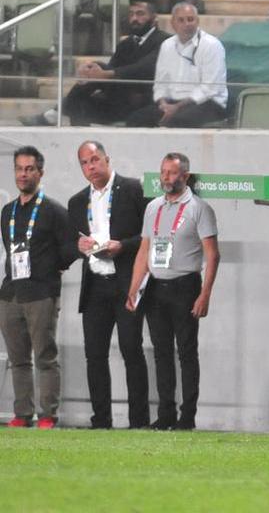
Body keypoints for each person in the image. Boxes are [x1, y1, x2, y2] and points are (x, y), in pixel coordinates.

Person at [126, 152, 221, 430]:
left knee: (187, 352)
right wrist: (134, 288)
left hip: (185, 286)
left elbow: (213, 255)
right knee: (161, 352)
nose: (166, 178)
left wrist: (205, 294)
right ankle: (165, 413)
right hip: (156, 287)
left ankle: (187, 416)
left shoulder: (198, 208)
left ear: (185, 176)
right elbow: (144, 249)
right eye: (163, 172)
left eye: (172, 173)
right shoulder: (153, 207)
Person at [68, 141, 151, 429]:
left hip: (126, 283)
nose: (91, 167)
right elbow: (73, 244)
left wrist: (122, 246)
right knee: (95, 355)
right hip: (95, 286)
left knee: (131, 349)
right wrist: (80, 246)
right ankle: (100, 421)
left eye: (95, 160)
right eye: (85, 163)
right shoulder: (77, 202)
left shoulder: (133, 190)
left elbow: (149, 237)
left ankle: (138, 421)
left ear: (107, 159)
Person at [0, 146, 76, 428]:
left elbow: (70, 249)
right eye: (19, 168)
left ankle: (48, 414)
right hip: (10, 294)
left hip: (42, 293)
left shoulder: (55, 210)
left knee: (45, 356)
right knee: (18, 359)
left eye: (29, 169)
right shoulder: (7, 211)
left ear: (40, 173)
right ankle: (22, 414)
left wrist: (51, 268)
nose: (23, 174)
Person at [25, 0, 170, 126]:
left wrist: (104, 73)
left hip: (143, 99)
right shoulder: (126, 44)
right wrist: (91, 73)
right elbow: (108, 72)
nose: (134, 19)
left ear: (153, 17)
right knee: (80, 103)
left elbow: (144, 68)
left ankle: (55, 114)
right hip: (120, 98)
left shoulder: (164, 41)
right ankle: (80, 142)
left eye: (140, 14)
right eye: (131, 14)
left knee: (99, 67)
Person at [126, 2, 227, 128]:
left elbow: (210, 89)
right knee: (135, 120)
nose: (187, 24)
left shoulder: (212, 45)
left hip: (208, 103)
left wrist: (176, 107)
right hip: (172, 103)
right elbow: (160, 83)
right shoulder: (167, 45)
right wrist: (163, 103)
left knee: (177, 122)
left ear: (197, 21)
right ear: (173, 23)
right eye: (181, 20)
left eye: (191, 19)